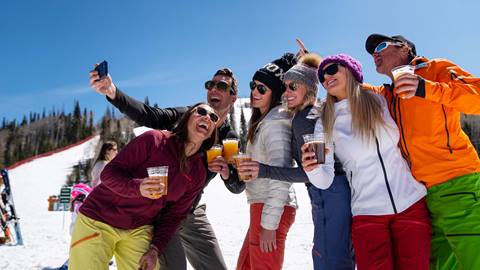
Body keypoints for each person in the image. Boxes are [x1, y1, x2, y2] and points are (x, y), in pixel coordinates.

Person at [90, 66, 244, 270]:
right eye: (210, 84)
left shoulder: (229, 139)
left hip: (190, 209)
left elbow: (238, 186)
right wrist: (113, 92)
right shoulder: (189, 115)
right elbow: (150, 115)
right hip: (160, 211)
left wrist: (226, 174)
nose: (213, 89)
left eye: (222, 86)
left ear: (233, 97)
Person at [302, 54, 431, 270]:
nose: (326, 77)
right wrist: (312, 169)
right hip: (368, 215)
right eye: (322, 75)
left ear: (351, 71)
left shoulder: (379, 100)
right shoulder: (325, 121)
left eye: (332, 69)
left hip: (411, 204)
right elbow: (324, 180)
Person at [363, 34, 480, 269]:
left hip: (459, 184)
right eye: (372, 51)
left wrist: (427, 89)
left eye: (381, 46)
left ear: (405, 48)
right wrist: (320, 69)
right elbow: (353, 88)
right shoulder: (388, 94)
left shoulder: (435, 69)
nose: (375, 53)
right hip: (423, 197)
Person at [238, 53, 354, 269]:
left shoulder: (307, 119)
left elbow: (317, 172)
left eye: (293, 87)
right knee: (327, 254)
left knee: (331, 257)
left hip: (332, 191)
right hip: (325, 192)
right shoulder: (304, 115)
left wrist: (264, 170)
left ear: (309, 90)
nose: (287, 92)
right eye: (286, 86)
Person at [69, 103, 218, 270]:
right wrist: (137, 187)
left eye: (213, 117)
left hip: (138, 228)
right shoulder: (154, 140)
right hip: (99, 218)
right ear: (187, 117)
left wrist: (155, 249)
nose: (207, 117)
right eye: (201, 111)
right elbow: (108, 174)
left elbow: (174, 216)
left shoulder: (198, 172)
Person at [235, 53, 297, 270]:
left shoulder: (275, 123)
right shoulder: (264, 122)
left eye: (262, 88)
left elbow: (281, 174)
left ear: (276, 93)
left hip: (270, 208)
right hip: (263, 206)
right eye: (254, 85)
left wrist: (269, 225)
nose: (254, 92)